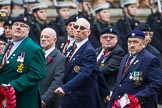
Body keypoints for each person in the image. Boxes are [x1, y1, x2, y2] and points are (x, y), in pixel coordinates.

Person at [55, 18, 110, 108]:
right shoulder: (73, 46)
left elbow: (84, 73)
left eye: (82, 28)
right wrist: (105, 92)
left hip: (82, 98)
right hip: (71, 96)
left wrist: (65, 87)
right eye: (76, 27)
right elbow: (96, 71)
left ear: (88, 32)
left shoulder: (89, 50)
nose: (78, 30)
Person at [107, 29, 162, 108]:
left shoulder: (150, 59)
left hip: (140, 104)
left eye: (135, 42)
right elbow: (119, 83)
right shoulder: (125, 58)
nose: (132, 45)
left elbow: (156, 83)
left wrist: (136, 98)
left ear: (143, 43)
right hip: (121, 104)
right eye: (129, 42)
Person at [0, 15, 46, 108]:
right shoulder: (10, 44)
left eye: (22, 25)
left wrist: (13, 86)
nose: (18, 27)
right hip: (5, 98)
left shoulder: (33, 48)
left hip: (23, 100)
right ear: (11, 28)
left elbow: (38, 73)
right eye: (16, 24)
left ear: (28, 31)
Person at [96, 26, 125, 108]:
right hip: (95, 90)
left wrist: (88, 72)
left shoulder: (118, 52)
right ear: (100, 39)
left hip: (107, 92)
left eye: (111, 37)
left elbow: (106, 69)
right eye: (105, 37)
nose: (108, 39)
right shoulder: (97, 51)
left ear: (117, 39)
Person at [40, 27, 66, 108]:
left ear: (55, 40)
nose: (43, 39)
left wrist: (45, 99)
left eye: (47, 37)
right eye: (41, 37)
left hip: (48, 102)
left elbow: (57, 81)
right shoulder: (37, 54)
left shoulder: (60, 58)